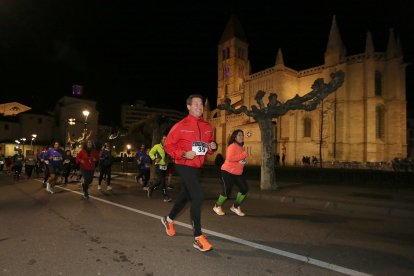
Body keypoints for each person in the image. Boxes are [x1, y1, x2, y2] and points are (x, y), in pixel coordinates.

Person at [161, 94, 217, 252]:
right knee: (198, 196)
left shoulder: (207, 126)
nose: (200, 107)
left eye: (201, 104)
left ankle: (168, 219)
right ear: (189, 107)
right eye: (196, 104)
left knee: (184, 197)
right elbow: (168, 146)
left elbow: (209, 146)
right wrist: (184, 154)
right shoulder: (180, 125)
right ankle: (198, 237)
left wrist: (213, 146)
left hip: (197, 167)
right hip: (183, 164)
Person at [213, 129, 249, 217]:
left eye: (242, 135)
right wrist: (244, 155)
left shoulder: (241, 147)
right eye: (239, 135)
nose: (241, 137)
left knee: (244, 189)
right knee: (227, 192)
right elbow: (230, 158)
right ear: (235, 137)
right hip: (227, 172)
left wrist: (243, 162)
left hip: (237, 173)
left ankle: (235, 207)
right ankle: (217, 206)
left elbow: (238, 160)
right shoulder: (232, 146)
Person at [147, 135, 171, 202]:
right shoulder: (157, 146)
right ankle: (165, 196)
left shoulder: (167, 147)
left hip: (164, 166)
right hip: (158, 166)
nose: (165, 140)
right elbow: (150, 153)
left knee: (160, 181)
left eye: (166, 139)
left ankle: (151, 188)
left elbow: (168, 156)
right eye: (163, 139)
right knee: (163, 181)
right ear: (161, 140)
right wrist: (154, 158)